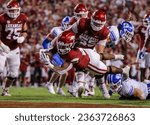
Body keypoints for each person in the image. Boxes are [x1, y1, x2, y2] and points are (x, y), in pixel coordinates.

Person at [40, 30, 130, 97]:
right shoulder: (70, 45)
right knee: (101, 56)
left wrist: (50, 65)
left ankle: (123, 70)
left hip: (91, 63)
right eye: (60, 44)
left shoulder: (71, 55)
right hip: (88, 52)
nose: (61, 47)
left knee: (106, 69)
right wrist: (44, 52)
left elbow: (62, 70)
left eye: (63, 46)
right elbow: (53, 50)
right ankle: (117, 56)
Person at [0, 0, 28, 96]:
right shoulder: (2, 18)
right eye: (11, 10)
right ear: (7, 10)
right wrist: (2, 45)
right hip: (2, 49)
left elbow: (25, 30)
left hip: (15, 49)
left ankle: (6, 90)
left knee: (14, 74)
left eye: (15, 10)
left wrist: (23, 37)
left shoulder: (23, 17)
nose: (14, 12)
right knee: (0, 69)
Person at [42, 16, 72, 96]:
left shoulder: (73, 32)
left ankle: (59, 88)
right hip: (55, 53)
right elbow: (45, 42)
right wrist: (48, 51)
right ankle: (50, 84)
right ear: (63, 24)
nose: (68, 26)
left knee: (65, 73)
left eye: (70, 25)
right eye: (67, 24)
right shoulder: (56, 30)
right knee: (61, 70)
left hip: (64, 54)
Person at [136, 13, 150, 82]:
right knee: (142, 68)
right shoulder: (141, 27)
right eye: (145, 21)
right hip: (142, 49)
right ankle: (142, 84)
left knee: (149, 68)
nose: (146, 23)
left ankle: (148, 85)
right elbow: (134, 32)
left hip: (148, 51)